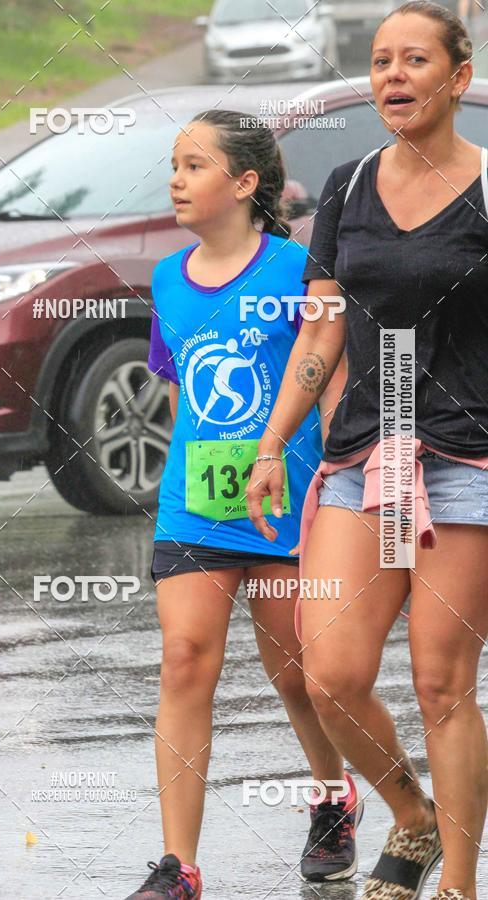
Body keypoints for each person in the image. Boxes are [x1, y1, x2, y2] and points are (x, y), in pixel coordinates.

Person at [247, 3, 488, 899]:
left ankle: (459, 884)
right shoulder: (347, 188)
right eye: (382, 60)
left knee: (440, 682)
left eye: (414, 59)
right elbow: (321, 334)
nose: (393, 76)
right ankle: (414, 819)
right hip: (361, 458)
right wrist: (275, 443)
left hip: (468, 460)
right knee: (333, 671)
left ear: (456, 78)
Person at [125, 110, 356, 899]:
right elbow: (179, 385)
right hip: (195, 505)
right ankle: (177, 866)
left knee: (295, 672)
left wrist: (334, 481)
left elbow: (332, 374)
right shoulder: (165, 278)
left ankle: (332, 798)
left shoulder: (299, 269)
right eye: (175, 165)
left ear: (244, 183)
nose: (176, 180)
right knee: (186, 660)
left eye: (194, 166)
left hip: (289, 504)